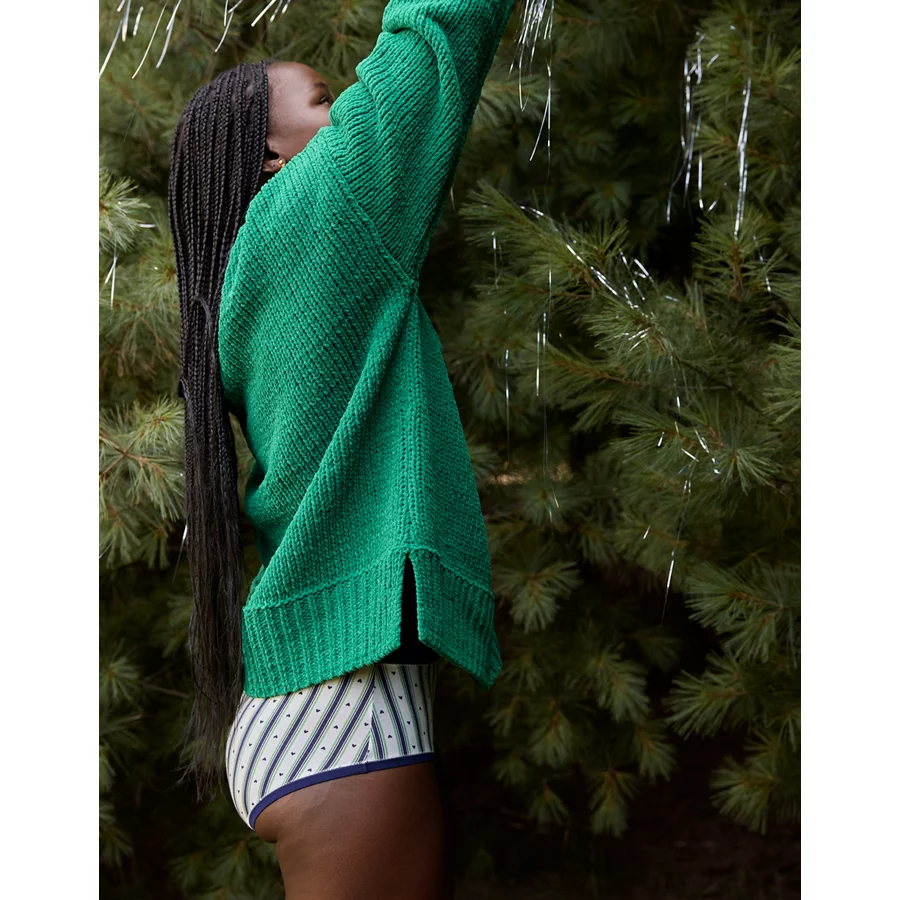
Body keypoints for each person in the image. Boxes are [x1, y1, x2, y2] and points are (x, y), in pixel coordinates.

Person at [167, 1, 517, 897]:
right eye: (325, 100)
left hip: (314, 702)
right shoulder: (317, 215)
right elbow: (433, 40)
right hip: (343, 718)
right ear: (271, 156)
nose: (348, 111)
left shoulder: (248, 278)